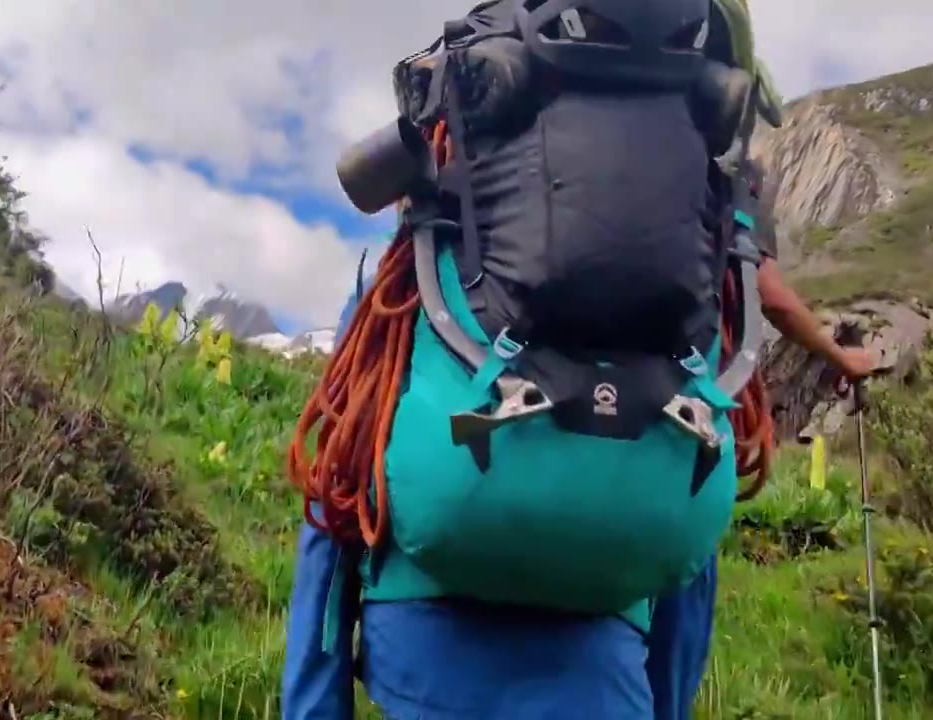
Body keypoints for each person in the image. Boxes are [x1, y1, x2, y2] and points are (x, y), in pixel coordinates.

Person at [281, 1, 849, 718]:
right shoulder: (696, 299)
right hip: (606, 677)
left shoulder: (413, 290)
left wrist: (312, 706)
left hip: (423, 658)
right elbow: (688, 558)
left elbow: (333, 511)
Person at [643, 165, 878, 720]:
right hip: (679, 434)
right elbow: (769, 295)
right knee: (674, 608)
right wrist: (843, 356)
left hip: (557, 412)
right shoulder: (720, 168)